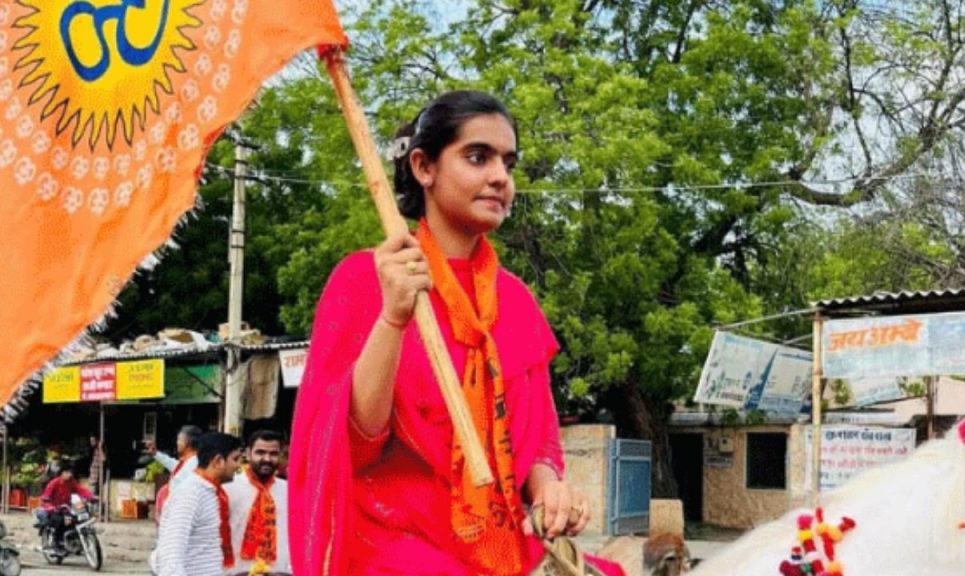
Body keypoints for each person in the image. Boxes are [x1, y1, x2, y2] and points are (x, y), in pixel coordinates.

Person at [289, 91, 621, 575]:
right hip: (398, 544)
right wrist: (393, 318)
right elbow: (353, 443)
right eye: (477, 156)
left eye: (508, 162)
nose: (499, 178)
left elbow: (538, 437)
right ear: (424, 167)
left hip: (505, 539)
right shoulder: (367, 278)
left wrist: (549, 489)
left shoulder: (515, 300)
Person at [150, 432, 242, 576]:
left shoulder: (209, 491)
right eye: (235, 459)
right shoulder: (191, 494)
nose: (238, 466)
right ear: (218, 461)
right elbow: (170, 558)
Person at [225, 430, 290, 575]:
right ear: (248, 454)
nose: (267, 459)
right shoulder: (229, 488)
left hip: (278, 571)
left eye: (273, 454)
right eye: (260, 452)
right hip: (237, 571)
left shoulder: (288, 491)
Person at [147, 424, 202, 522]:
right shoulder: (187, 462)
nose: (177, 443)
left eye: (179, 440)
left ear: (187, 443)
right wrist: (156, 454)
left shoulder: (193, 464)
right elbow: (173, 465)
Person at [36, 460, 95, 550]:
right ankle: (56, 543)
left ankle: (73, 540)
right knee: (60, 521)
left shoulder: (71, 482)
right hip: (53, 509)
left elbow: (80, 490)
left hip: (66, 509)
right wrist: (50, 507)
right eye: (67, 472)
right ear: (61, 473)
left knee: (76, 520)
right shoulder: (54, 483)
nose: (69, 474)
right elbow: (45, 498)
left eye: (70, 472)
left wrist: (91, 497)